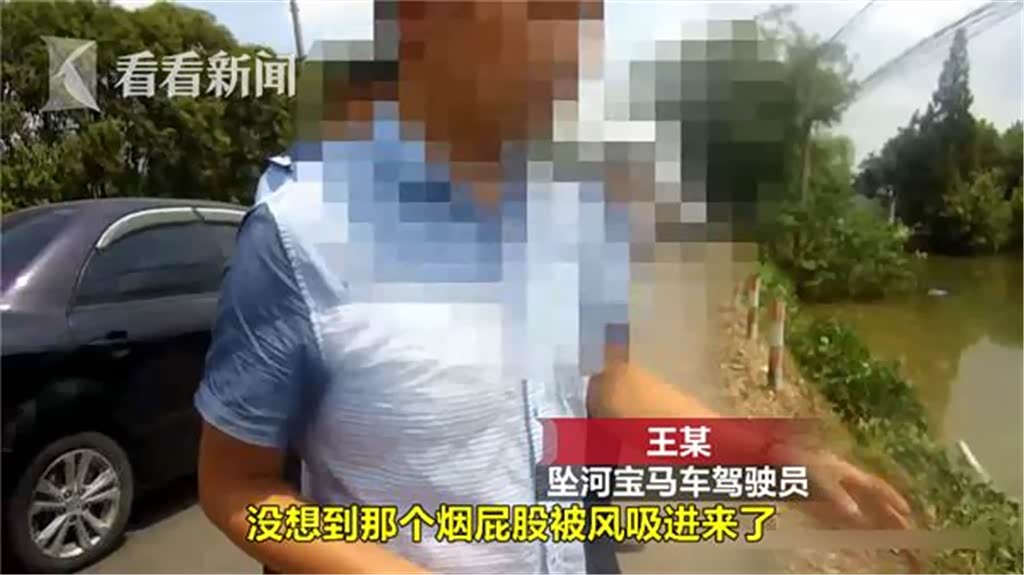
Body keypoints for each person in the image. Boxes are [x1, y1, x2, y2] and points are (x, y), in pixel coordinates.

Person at [194, 1, 913, 573]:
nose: (578, 49)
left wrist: (774, 458)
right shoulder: (299, 234)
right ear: (417, 13)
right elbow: (237, 486)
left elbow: (610, 381)